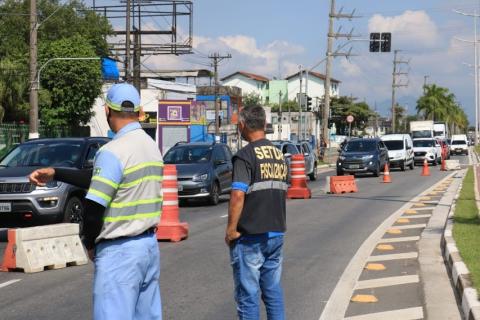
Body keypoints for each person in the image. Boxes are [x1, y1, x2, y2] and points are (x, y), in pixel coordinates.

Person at [29, 83, 164, 320]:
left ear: (107, 111)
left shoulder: (113, 151)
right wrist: (56, 172)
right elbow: (100, 178)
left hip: (119, 251)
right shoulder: (151, 147)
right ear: (139, 112)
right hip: (147, 247)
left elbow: (94, 207)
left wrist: (89, 242)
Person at [225, 105, 288, 320]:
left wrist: (231, 230)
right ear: (263, 124)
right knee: (272, 292)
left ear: (243, 125)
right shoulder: (279, 155)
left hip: (250, 236)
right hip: (276, 232)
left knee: (248, 295)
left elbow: (238, 195)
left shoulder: (245, 156)